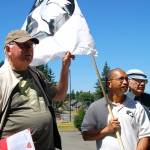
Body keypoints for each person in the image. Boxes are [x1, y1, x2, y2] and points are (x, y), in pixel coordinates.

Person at [0, 29, 74, 150]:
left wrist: (65, 68)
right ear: (9, 50)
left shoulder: (37, 74)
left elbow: (60, 95)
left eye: (31, 45)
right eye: (24, 45)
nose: (29, 49)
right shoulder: (2, 78)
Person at [81, 68, 150, 150]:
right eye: (121, 79)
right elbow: (85, 135)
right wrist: (106, 130)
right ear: (109, 84)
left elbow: (145, 135)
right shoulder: (95, 107)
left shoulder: (137, 106)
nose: (125, 82)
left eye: (126, 79)